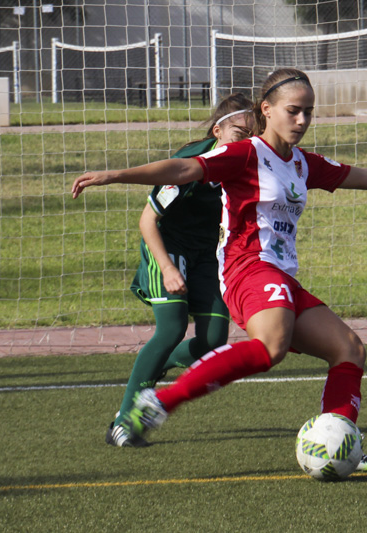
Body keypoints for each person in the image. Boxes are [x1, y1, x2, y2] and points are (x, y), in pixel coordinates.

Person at [74, 68, 367, 471]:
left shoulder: (304, 164)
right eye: (293, 111)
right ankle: (157, 404)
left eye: (309, 112)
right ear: (266, 110)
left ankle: (339, 446)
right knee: (270, 347)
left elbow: (364, 177)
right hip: (247, 267)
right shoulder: (246, 153)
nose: (302, 121)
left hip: (281, 275)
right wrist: (115, 175)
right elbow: (184, 169)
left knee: (349, 349)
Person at [106, 93, 255, 447]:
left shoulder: (247, 163)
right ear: (218, 129)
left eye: (254, 134)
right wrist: (168, 267)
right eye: (239, 133)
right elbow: (147, 220)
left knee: (212, 342)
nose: (247, 141)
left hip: (207, 255)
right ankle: (124, 421)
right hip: (167, 246)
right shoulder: (191, 165)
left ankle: (160, 363)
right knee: (171, 327)